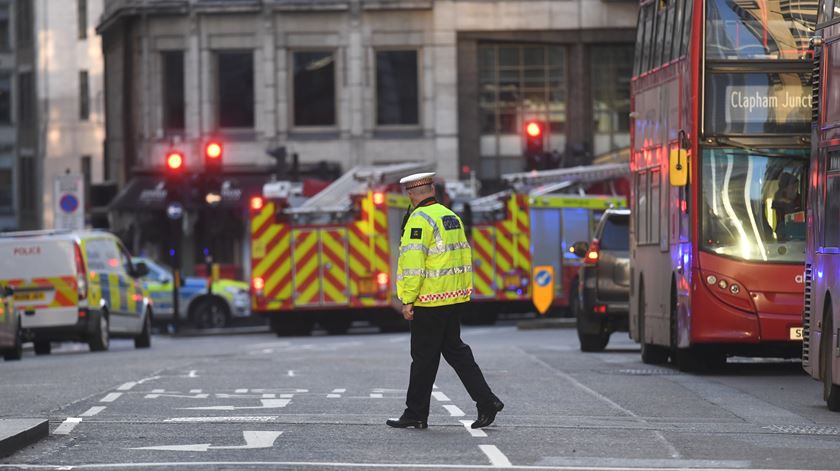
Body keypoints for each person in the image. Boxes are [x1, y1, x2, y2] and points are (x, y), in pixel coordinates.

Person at [386, 172, 504, 430]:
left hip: (429, 300)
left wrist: (408, 299)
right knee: (455, 351)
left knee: (423, 358)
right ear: (431, 190)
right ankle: (486, 401)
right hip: (452, 297)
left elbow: (415, 264)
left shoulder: (419, 220)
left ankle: (415, 413)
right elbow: (462, 256)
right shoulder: (450, 216)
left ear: (412, 194)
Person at [771, 172, 802, 241]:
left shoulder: (801, 199)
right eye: (793, 187)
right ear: (784, 188)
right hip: (783, 235)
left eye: (797, 186)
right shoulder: (778, 202)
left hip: (800, 236)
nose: (795, 190)